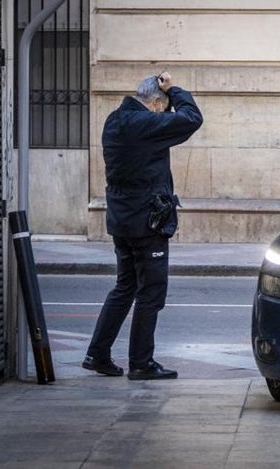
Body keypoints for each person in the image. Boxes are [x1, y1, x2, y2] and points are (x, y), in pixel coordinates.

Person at [82, 72, 203, 380]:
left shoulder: (114, 119)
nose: (165, 117)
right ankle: (141, 363)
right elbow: (191, 119)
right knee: (151, 292)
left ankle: (97, 353)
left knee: (125, 287)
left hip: (121, 220)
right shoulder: (145, 123)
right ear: (154, 103)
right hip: (146, 223)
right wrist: (174, 89)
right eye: (164, 108)